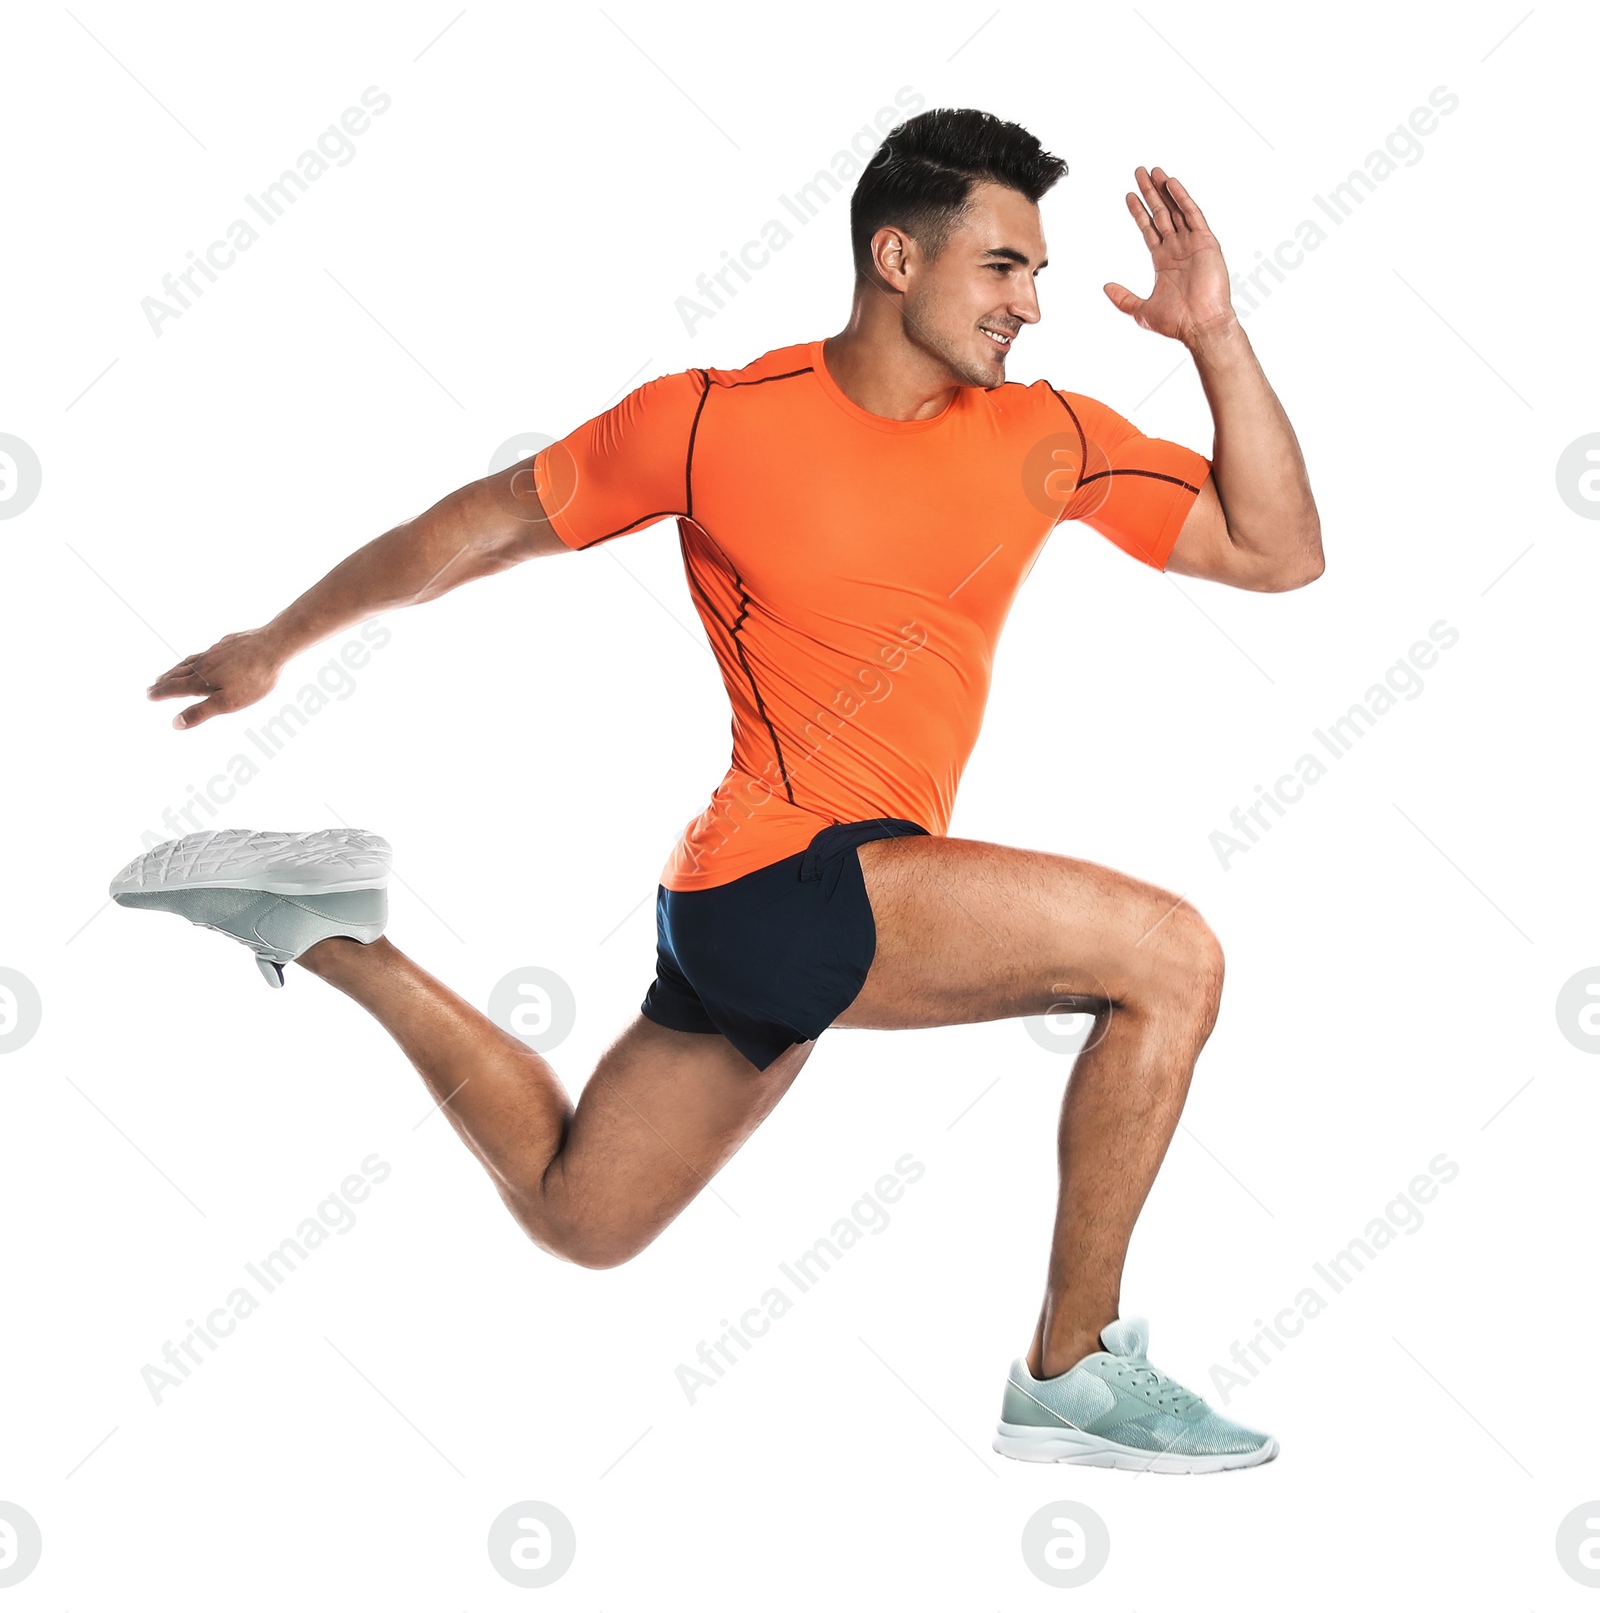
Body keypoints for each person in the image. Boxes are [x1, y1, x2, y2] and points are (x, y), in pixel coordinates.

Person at [113, 109, 1322, 1472]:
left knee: (585, 1212)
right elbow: (476, 526)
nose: (1032, 305)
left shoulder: (1046, 437)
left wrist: (1213, 332)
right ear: (896, 258)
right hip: (786, 879)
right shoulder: (708, 421)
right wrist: (278, 643)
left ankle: (328, 926)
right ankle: (1072, 1369)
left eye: (1037, 274)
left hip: (776, 904)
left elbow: (1277, 550)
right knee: (1170, 956)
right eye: (1004, 268)